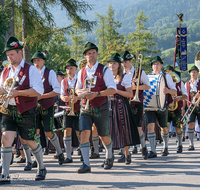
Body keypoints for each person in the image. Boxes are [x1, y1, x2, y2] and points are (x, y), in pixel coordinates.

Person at [0, 36, 46, 184]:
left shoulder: (31, 69)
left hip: (27, 110)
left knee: (30, 141)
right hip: (9, 110)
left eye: (12, 54)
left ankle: (41, 167)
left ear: (20, 53)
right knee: (6, 138)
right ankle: (5, 174)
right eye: (8, 55)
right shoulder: (5, 71)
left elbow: (38, 91)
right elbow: (3, 89)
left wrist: (18, 93)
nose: (9, 57)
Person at [75, 42, 116, 173]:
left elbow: (112, 89)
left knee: (103, 135)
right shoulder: (81, 71)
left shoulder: (105, 70)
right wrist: (82, 93)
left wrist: (97, 94)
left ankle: (109, 154)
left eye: (93, 53)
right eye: (88, 53)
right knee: (84, 133)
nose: (91, 55)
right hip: (85, 108)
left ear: (97, 54)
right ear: (85, 56)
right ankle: (86, 164)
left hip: (101, 106)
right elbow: (76, 89)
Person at [31, 51, 64, 165]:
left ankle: (59, 152)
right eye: (34, 61)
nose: (36, 63)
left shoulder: (50, 72)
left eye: (38, 60)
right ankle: (37, 158)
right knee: (36, 132)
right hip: (34, 107)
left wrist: (41, 96)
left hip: (47, 106)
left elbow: (56, 90)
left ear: (43, 61)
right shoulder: (31, 74)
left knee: (48, 132)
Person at [107, 53, 140, 164]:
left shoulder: (125, 77)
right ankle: (109, 157)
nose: (112, 65)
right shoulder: (106, 77)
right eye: (110, 63)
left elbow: (130, 94)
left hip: (121, 105)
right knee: (108, 131)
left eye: (114, 63)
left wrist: (116, 91)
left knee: (123, 130)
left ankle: (127, 153)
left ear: (118, 65)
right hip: (108, 105)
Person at [145, 56, 176, 158]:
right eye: (154, 64)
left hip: (162, 105)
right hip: (150, 105)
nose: (156, 66)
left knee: (164, 127)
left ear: (161, 65)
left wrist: (167, 91)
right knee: (150, 126)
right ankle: (153, 151)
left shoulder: (167, 77)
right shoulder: (147, 76)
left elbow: (174, 91)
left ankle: (165, 147)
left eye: (158, 64)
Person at [121, 50, 150, 160]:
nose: (124, 64)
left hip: (136, 102)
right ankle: (125, 153)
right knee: (123, 128)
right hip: (124, 102)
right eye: (123, 62)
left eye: (126, 62)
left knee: (138, 127)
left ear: (131, 61)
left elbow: (147, 86)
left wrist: (136, 87)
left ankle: (143, 148)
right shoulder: (120, 73)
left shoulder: (139, 72)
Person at [163, 65, 187, 153]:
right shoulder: (162, 83)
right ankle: (165, 147)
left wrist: (180, 97)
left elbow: (185, 95)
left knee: (177, 128)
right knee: (165, 127)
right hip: (166, 108)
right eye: (166, 72)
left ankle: (180, 144)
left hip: (176, 108)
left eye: (170, 72)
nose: (168, 74)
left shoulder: (180, 83)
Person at [60, 58, 80, 163]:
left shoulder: (79, 79)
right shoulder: (64, 81)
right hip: (68, 109)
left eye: (71, 68)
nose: (69, 71)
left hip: (78, 108)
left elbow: (83, 92)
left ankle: (82, 150)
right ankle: (68, 156)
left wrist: (77, 98)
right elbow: (62, 95)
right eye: (67, 69)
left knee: (79, 131)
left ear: (76, 69)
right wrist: (64, 98)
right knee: (67, 130)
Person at [183, 65, 200, 151]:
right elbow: (185, 96)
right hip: (191, 106)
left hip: (199, 106)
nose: (193, 73)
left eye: (194, 72)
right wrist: (183, 108)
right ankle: (191, 144)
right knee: (190, 124)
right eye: (191, 72)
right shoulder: (187, 84)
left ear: (197, 73)